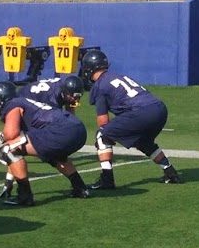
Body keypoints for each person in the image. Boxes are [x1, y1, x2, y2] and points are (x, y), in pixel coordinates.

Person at [78, 48, 182, 188]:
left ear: (88, 68)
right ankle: (170, 172)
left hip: (141, 112)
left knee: (102, 135)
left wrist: (107, 136)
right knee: (142, 141)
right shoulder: (118, 76)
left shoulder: (100, 85)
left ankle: (107, 180)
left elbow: (103, 121)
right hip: (159, 108)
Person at [0, 77, 92, 207]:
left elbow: (11, 134)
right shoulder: (28, 102)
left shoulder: (13, 104)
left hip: (62, 131)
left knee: (8, 150)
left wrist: (3, 135)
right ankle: (80, 188)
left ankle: (25, 195)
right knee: (50, 154)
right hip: (78, 130)